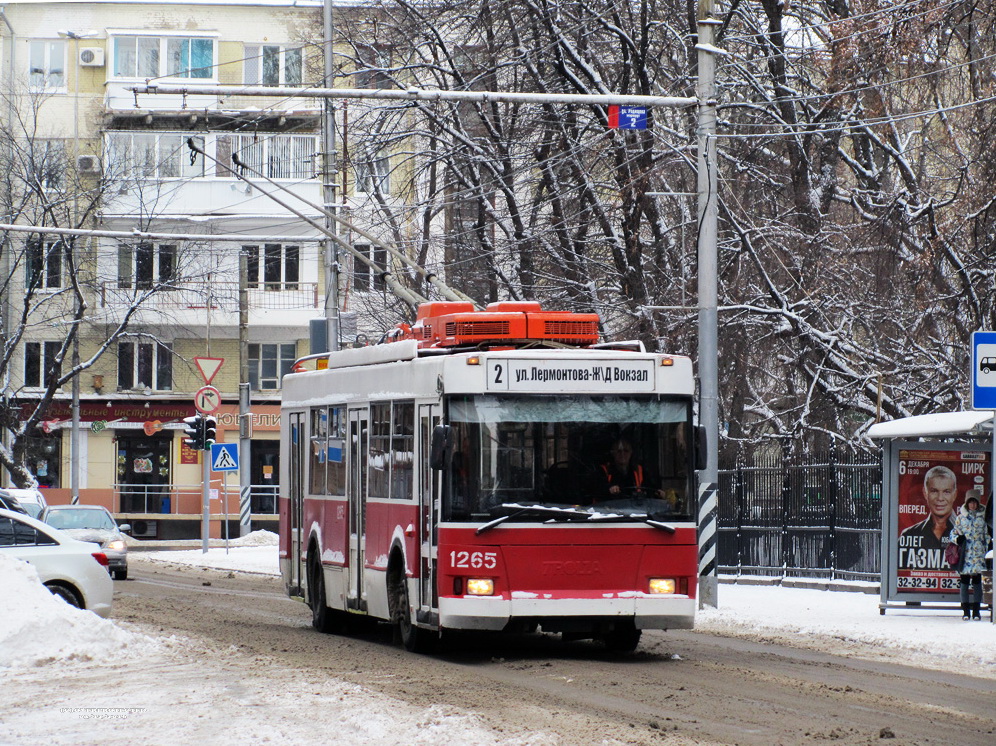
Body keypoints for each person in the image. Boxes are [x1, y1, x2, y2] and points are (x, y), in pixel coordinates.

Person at [949, 495, 989, 620]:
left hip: (978, 556)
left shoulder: (982, 519)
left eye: (974, 503)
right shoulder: (961, 518)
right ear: (967, 504)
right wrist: (957, 539)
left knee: (977, 584)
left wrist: (987, 547)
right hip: (965, 555)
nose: (972, 505)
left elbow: (986, 535)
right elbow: (953, 533)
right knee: (964, 583)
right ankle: (965, 611)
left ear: (978, 504)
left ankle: (976, 611)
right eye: (970, 503)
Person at [900, 465, 957, 552]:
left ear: (954, 495)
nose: (940, 498)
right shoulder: (909, 534)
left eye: (946, 492)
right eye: (934, 491)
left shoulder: (966, 532)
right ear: (925, 493)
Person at [595, 439, 666, 502]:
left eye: (626, 451)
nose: (622, 454)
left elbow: (651, 489)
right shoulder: (604, 470)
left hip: (635, 511)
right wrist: (610, 489)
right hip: (609, 511)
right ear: (613, 453)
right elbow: (598, 491)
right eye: (619, 451)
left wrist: (658, 493)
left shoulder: (639, 470)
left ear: (631, 452)